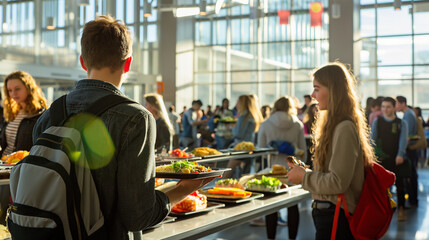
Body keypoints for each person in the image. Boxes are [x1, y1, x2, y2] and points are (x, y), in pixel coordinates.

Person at [33, 16, 214, 240]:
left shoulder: (50, 115)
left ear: (82, 61)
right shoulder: (136, 118)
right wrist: (184, 189)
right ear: (128, 63)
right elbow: (137, 216)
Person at [288, 62, 376, 239]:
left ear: (333, 90)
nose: (313, 95)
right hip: (329, 213)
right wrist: (306, 172)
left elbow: (337, 182)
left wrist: (304, 177)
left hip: (336, 215)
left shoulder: (344, 128)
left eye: (317, 88)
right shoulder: (336, 125)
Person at [257, 96, 306, 240]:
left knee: (271, 207)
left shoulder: (265, 124)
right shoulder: (297, 125)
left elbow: (260, 149)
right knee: (293, 206)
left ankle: (271, 238)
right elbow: (303, 152)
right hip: (292, 170)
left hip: (271, 170)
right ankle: (292, 238)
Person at [371, 97, 408, 221]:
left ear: (394, 108)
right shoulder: (378, 121)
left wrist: (400, 154)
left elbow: (403, 140)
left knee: (400, 184)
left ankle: (401, 209)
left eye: (388, 107)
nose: (385, 109)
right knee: (380, 187)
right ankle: (381, 210)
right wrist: (372, 156)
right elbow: (373, 140)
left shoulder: (401, 123)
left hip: (396, 158)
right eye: (383, 107)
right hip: (381, 159)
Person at [1, 71, 48, 157]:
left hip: (22, 166)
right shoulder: (11, 113)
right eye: (10, 90)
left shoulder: (41, 115)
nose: (13, 94)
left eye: (17, 89)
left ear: (29, 88)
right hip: (4, 164)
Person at [224, 95, 263, 178]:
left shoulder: (243, 116)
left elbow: (238, 134)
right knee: (244, 174)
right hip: (249, 147)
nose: (236, 104)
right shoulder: (253, 115)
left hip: (240, 148)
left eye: (238, 102)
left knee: (227, 172)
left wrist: (233, 126)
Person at [396, 96, 419, 207]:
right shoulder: (408, 114)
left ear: (403, 103)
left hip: (409, 150)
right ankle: (412, 199)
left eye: (397, 103)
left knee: (410, 175)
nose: (396, 106)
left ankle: (413, 200)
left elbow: (407, 135)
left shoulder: (408, 115)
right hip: (409, 149)